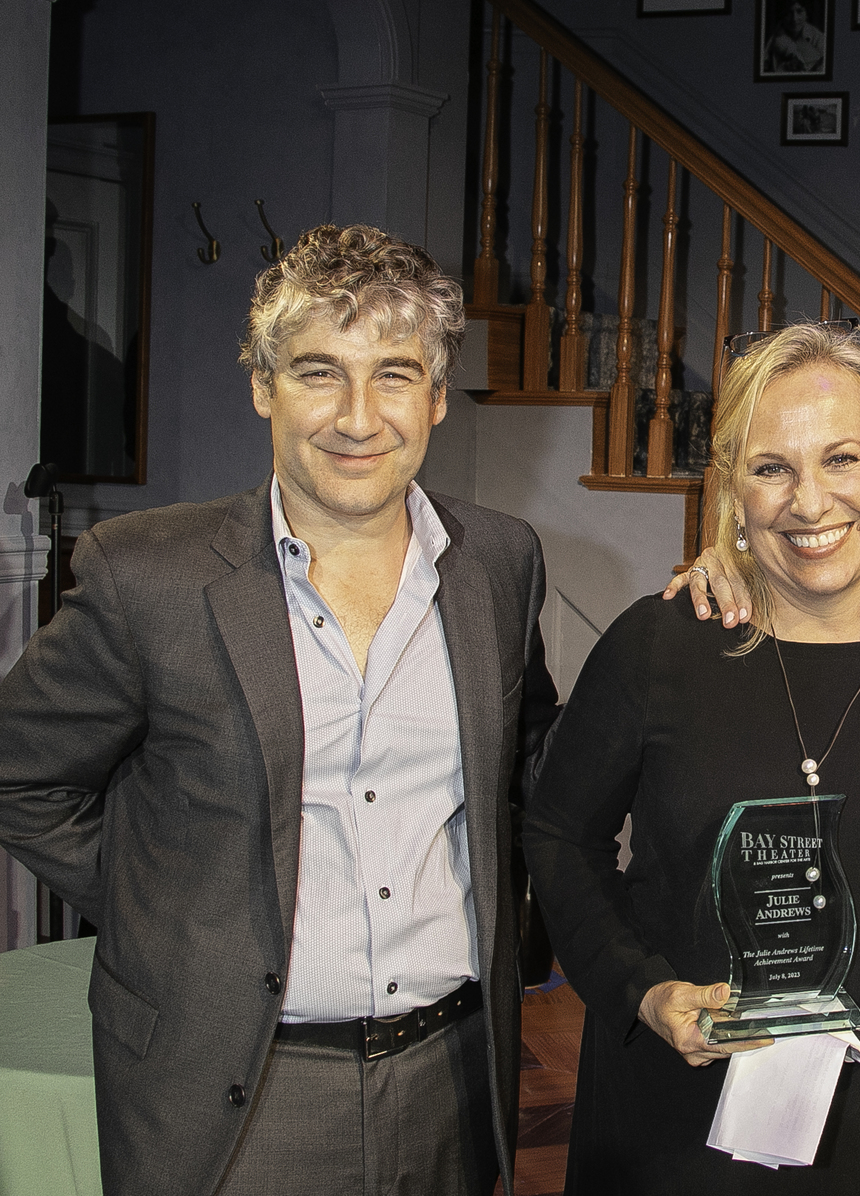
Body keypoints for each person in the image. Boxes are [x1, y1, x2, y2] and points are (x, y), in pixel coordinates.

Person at [0, 224, 560, 1196]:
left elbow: (528, 766)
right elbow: (20, 771)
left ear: (435, 396)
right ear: (264, 386)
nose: (356, 415)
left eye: (393, 373)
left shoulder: (499, 564)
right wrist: (171, 905)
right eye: (316, 371)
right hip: (238, 1090)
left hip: (452, 1077)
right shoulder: (149, 575)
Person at [523, 321, 860, 1193]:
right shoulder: (659, 649)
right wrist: (644, 992)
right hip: (674, 1130)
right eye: (772, 467)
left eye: (841, 459)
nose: (810, 503)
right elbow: (556, 833)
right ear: (733, 485)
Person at [763, 0, 824, 75]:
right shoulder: (772, 39)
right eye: (789, 13)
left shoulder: (819, 39)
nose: (794, 19)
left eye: (799, 11)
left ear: (807, 14)